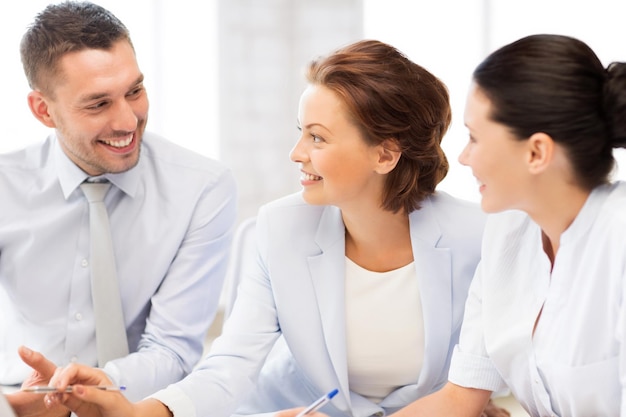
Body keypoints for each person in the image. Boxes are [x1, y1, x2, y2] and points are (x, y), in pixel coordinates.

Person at [33, 39, 510, 417]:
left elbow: (475, 384)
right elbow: (231, 363)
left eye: (317, 137)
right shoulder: (281, 228)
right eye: (299, 131)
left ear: (384, 154)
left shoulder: (478, 237)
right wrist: (143, 412)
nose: (296, 153)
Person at [287, 33, 626, 417]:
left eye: (475, 138)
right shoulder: (507, 235)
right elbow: (459, 399)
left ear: (536, 152)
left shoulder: (618, 240)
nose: (463, 158)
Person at [0, 0, 237, 415]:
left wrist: (96, 388)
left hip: (137, 407)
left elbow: (173, 348)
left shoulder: (202, 188)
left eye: (135, 91)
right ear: (43, 110)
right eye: (98, 104)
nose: (128, 121)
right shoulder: (6, 185)